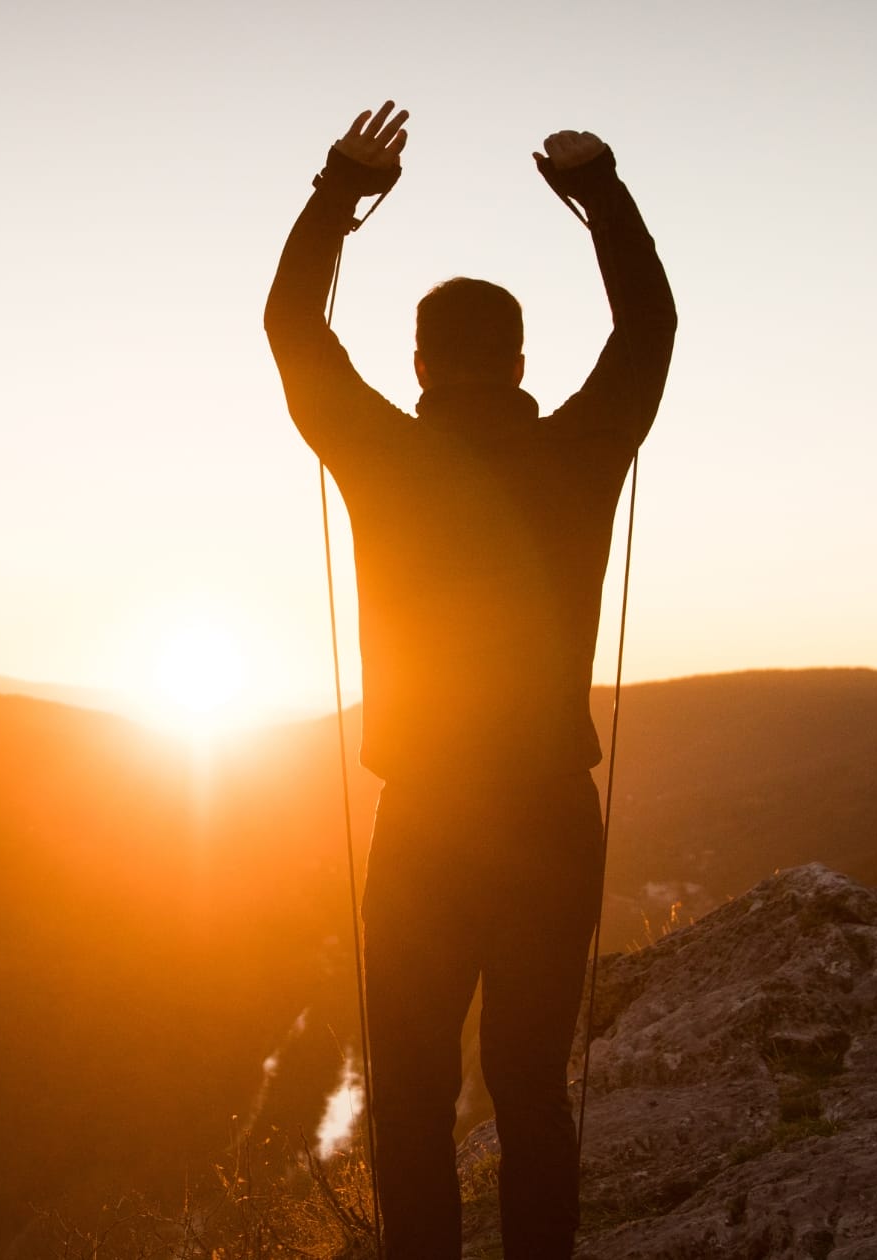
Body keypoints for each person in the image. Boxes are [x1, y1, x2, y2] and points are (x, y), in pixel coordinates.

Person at [264, 101, 676, 1258]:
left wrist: (342, 188)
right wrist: (597, 192)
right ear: (520, 363)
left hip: (427, 822)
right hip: (551, 816)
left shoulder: (386, 457)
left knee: (411, 1097)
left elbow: (290, 325)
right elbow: (649, 324)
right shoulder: (580, 451)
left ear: (416, 364)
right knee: (530, 1088)